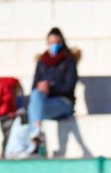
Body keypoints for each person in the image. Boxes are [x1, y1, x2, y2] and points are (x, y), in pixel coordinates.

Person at [28, 28, 79, 157]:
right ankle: (37, 134)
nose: (54, 45)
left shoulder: (68, 61)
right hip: (45, 102)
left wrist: (51, 88)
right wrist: (41, 87)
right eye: (51, 42)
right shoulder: (42, 62)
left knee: (34, 108)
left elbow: (69, 86)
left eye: (57, 42)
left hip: (63, 102)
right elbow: (34, 86)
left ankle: (37, 136)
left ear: (62, 42)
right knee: (35, 96)